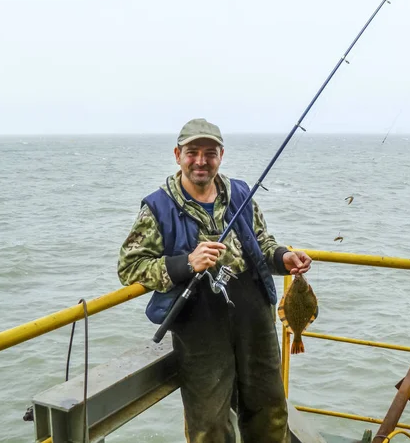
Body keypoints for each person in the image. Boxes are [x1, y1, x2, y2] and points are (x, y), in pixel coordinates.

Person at [118, 118, 312, 443]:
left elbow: (262, 241)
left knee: (270, 409)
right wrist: (186, 264)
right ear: (177, 155)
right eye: (192, 152)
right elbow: (130, 268)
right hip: (200, 326)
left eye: (210, 153)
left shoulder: (239, 192)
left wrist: (282, 257)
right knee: (210, 423)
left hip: (255, 317)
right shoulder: (158, 207)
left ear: (221, 155)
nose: (201, 161)